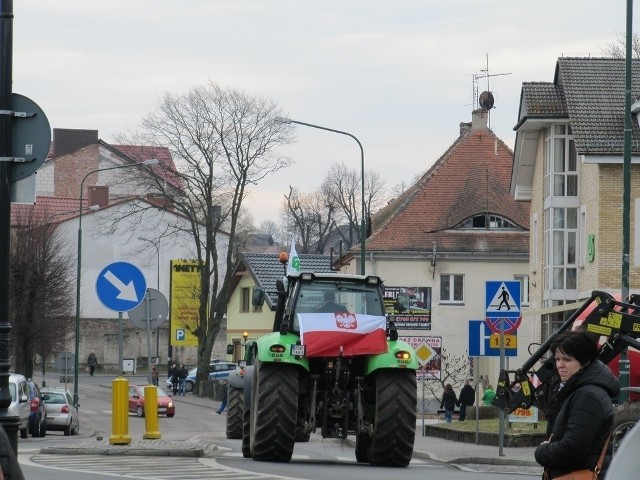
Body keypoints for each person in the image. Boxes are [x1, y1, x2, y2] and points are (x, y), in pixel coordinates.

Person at [534, 330, 619, 479]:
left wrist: (542, 451)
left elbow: (572, 449)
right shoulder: (581, 390)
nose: (560, 365)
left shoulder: (587, 396)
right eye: (557, 359)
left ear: (585, 361)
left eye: (567, 360)